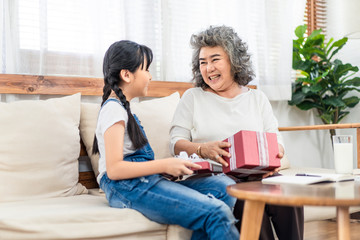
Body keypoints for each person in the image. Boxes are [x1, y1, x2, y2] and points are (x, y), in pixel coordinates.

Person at [92, 40, 239, 240]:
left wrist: (166, 169)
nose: (150, 76)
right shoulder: (113, 110)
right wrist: (164, 164)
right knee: (217, 213)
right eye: (146, 70)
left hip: (142, 180)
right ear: (126, 75)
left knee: (226, 188)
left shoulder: (124, 110)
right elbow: (115, 169)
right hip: (126, 186)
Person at [170, 26, 304, 240]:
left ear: (234, 61)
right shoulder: (193, 97)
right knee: (246, 199)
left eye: (215, 60)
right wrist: (202, 149)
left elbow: (275, 138)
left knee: (285, 192)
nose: (208, 68)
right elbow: (176, 142)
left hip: (259, 174)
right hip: (218, 178)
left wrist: (270, 160)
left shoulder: (256, 98)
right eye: (203, 62)